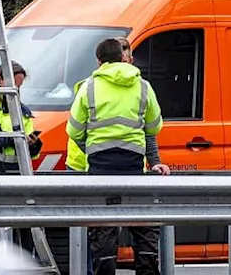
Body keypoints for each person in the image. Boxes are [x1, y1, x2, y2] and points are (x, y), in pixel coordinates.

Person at [66, 37, 168, 275]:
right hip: (133, 162)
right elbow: (154, 127)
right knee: (142, 222)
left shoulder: (88, 87)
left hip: (100, 165)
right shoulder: (143, 86)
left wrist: (91, 148)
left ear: (99, 60)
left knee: (104, 226)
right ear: (123, 57)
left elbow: (73, 130)